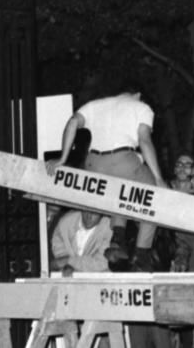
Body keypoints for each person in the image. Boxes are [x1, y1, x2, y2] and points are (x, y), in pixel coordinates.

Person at [47, 89, 166, 270]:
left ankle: (118, 238)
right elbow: (145, 140)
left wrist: (62, 158)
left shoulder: (95, 105)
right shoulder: (141, 107)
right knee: (152, 197)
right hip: (122, 161)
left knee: (120, 192)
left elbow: (72, 123)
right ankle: (142, 253)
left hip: (93, 165)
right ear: (138, 94)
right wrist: (158, 178)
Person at [51, 210, 113, 276]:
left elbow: (102, 263)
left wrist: (69, 261)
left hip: (99, 277)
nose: (89, 216)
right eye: (86, 210)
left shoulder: (109, 227)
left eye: (95, 213)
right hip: (68, 275)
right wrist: (67, 265)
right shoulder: (67, 220)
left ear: (102, 214)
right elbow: (58, 247)